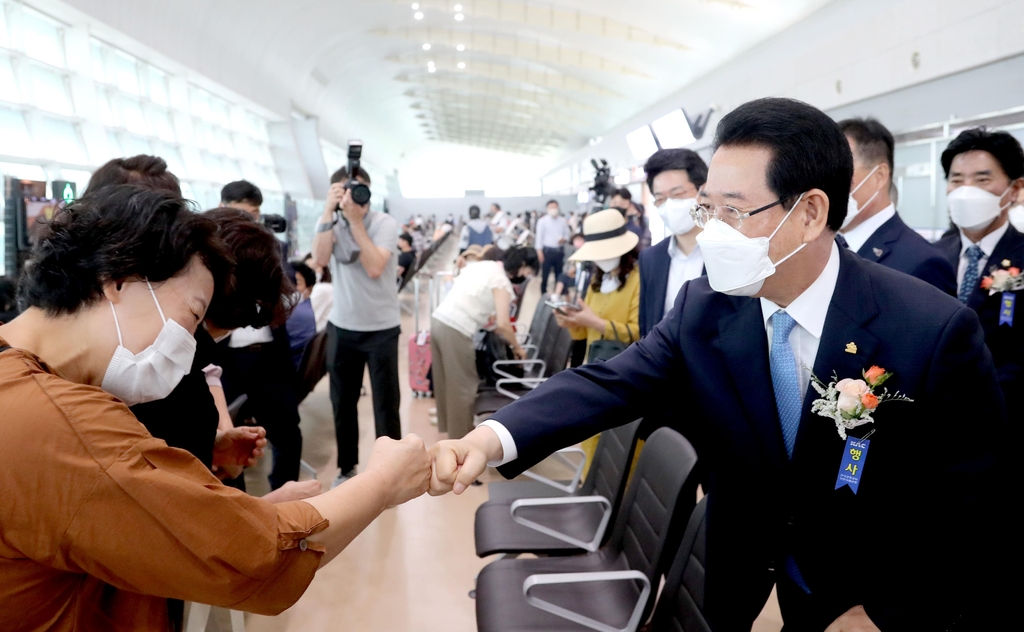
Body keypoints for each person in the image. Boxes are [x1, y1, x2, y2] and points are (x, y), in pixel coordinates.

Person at [429, 98, 1006, 630]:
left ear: (809, 212)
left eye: (734, 212)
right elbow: (611, 381)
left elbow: (967, 500)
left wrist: (882, 611)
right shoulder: (707, 306)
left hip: (861, 584)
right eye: (708, 210)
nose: (713, 235)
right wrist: (491, 438)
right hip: (736, 556)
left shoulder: (926, 328)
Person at [0, 185, 432, 631]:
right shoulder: (61, 424)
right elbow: (250, 554)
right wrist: (384, 482)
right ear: (119, 280)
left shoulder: (20, 374)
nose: (188, 345)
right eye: (191, 316)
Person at [311, 165, 403, 489]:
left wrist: (356, 222)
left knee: (385, 406)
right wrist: (327, 210)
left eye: (358, 189)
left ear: (368, 192)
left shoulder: (384, 223)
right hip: (343, 327)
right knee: (343, 404)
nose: (352, 196)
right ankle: (347, 467)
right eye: (344, 190)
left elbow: (376, 266)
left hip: (382, 328)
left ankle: (391, 473)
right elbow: (319, 259)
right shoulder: (331, 222)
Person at [934, 127, 1024, 406]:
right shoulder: (933, 256)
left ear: (1015, 189)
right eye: (957, 180)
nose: (965, 192)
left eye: (981, 179)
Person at [836, 118, 956, 294]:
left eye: (839, 172)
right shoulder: (825, 246)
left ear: (879, 176)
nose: (826, 185)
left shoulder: (923, 262)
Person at [430, 247, 537, 439]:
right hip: (456, 329)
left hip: (438, 321)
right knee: (464, 388)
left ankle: (452, 433)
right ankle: (460, 444)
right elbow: (504, 324)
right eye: (528, 272)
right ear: (522, 267)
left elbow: (475, 300)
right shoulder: (501, 281)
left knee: (447, 384)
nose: (526, 277)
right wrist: (517, 347)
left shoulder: (484, 266)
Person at [555, 209, 640, 363]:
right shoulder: (597, 280)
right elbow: (584, 334)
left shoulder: (638, 280)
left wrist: (594, 322)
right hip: (595, 363)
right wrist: (572, 321)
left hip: (624, 366)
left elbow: (638, 333)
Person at [639, 148, 708, 336]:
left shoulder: (730, 251)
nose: (669, 205)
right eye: (660, 198)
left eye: (677, 194)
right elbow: (646, 325)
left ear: (703, 191)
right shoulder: (650, 258)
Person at [535, 199, 571, 295]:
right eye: (551, 207)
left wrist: (564, 239)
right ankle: (543, 293)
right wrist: (539, 251)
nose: (553, 209)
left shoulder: (562, 221)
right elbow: (539, 237)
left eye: (555, 207)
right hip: (547, 251)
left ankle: (558, 293)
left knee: (559, 274)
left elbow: (567, 235)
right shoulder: (542, 221)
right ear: (547, 209)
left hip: (559, 250)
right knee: (545, 274)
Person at [287, 260, 319, 370]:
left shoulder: (298, 313)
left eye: (296, 283)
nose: (290, 287)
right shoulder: (307, 309)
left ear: (309, 289)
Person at [304, 253, 334, 332]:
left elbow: (308, 318)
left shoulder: (322, 289)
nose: (312, 272)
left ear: (324, 269)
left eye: (315, 268)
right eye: (308, 269)